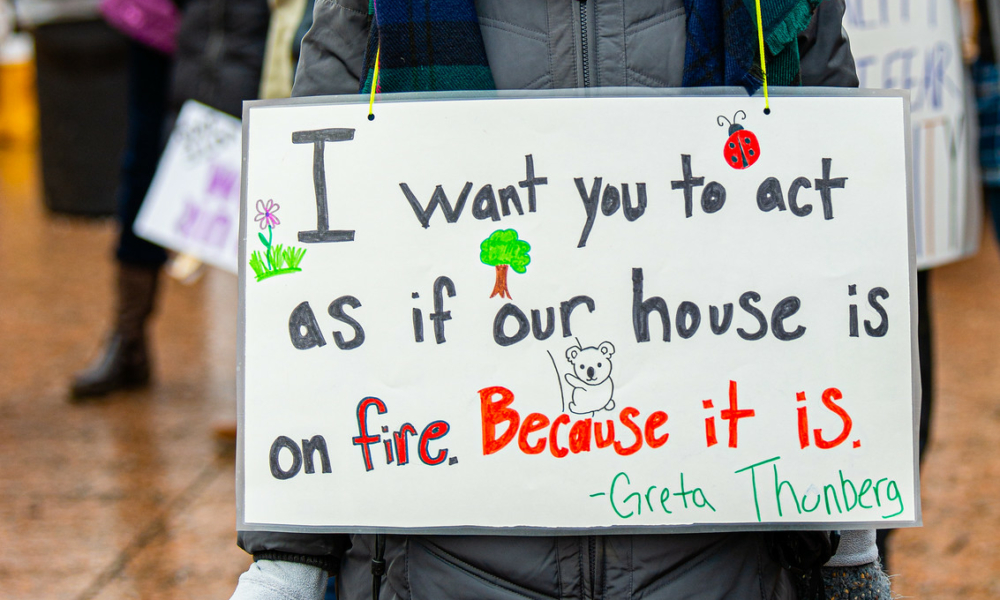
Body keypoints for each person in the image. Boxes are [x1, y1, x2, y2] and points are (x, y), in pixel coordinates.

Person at [230, 1, 891, 598]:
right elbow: (320, 265)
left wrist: (848, 546)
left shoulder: (775, 7)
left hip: (716, 555)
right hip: (440, 558)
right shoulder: (367, 8)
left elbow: (829, 252)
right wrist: (290, 560)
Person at [70, 0, 271, 400]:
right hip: (159, 21)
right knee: (144, 164)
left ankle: (270, 357)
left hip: (239, 27)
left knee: (255, 169)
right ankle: (128, 337)